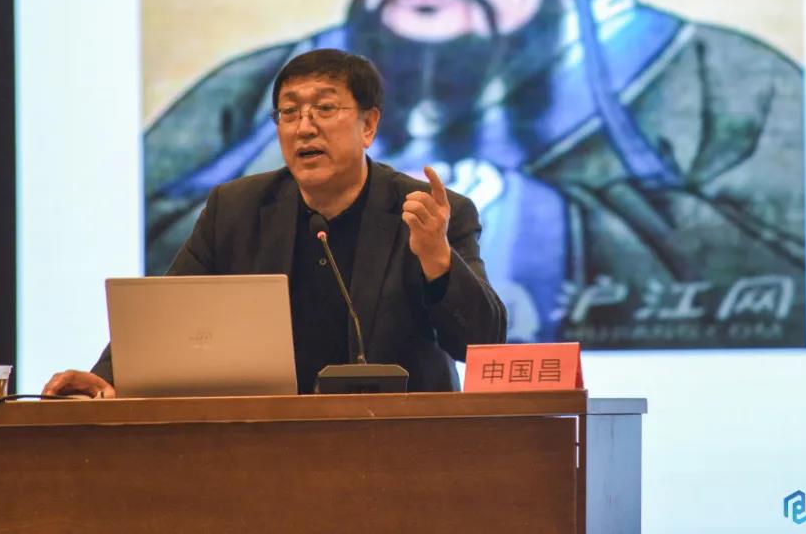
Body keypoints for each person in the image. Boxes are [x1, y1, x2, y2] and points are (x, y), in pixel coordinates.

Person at [143, 0, 806, 349]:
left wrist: (517, 214)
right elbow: (168, 289)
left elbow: (782, 265)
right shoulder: (254, 88)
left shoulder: (711, 73)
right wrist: (109, 378)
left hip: (415, 435)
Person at [44, 48, 507, 398]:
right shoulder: (237, 209)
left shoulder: (431, 213)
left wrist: (437, 260)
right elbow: (172, 313)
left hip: (405, 443)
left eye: (325, 109)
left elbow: (482, 343)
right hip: (275, 441)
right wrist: (105, 379)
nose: (304, 127)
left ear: (368, 126)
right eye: (289, 113)